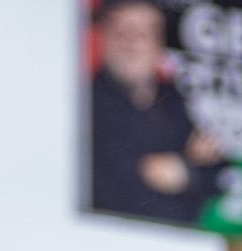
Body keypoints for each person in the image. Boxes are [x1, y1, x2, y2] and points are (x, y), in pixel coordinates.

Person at [86, 0, 224, 227]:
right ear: (104, 37)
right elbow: (118, 187)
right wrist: (189, 163)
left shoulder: (172, 101)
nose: (131, 44)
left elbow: (219, 174)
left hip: (178, 248)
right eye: (121, 32)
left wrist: (185, 171)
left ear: (158, 43)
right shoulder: (88, 103)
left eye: (142, 34)